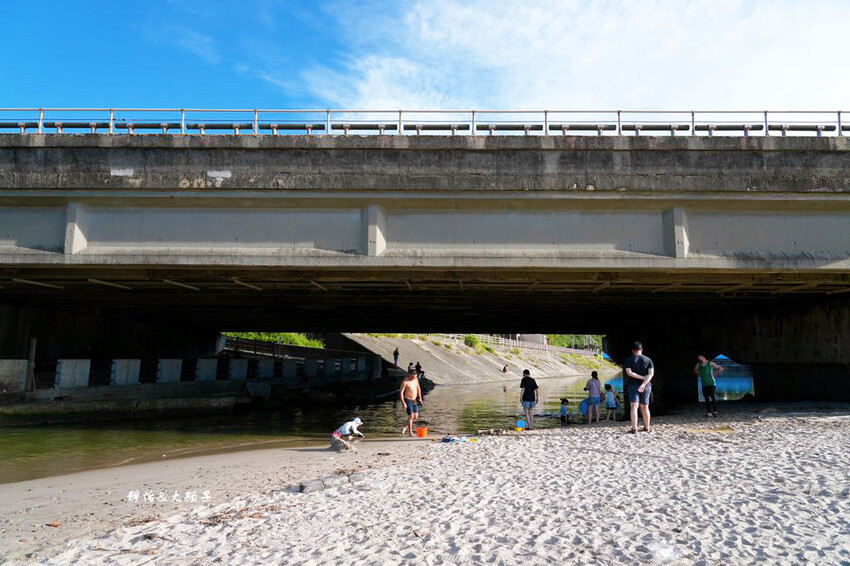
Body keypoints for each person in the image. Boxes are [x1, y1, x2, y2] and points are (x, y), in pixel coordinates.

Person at [623, 341, 654, 433]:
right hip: (646, 386)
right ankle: (646, 427)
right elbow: (651, 374)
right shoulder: (648, 360)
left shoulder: (629, 360)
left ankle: (634, 428)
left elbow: (629, 372)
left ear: (633, 350)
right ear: (641, 349)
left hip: (633, 385)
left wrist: (640, 378)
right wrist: (643, 384)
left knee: (634, 406)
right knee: (645, 407)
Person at [400, 370, 423, 437]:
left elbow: (418, 389)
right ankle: (410, 433)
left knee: (416, 416)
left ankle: (405, 424)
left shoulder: (416, 380)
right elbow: (401, 393)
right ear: (409, 375)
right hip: (407, 399)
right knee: (411, 416)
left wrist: (420, 398)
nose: (413, 378)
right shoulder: (405, 382)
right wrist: (403, 402)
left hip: (414, 400)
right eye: (412, 377)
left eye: (414, 377)